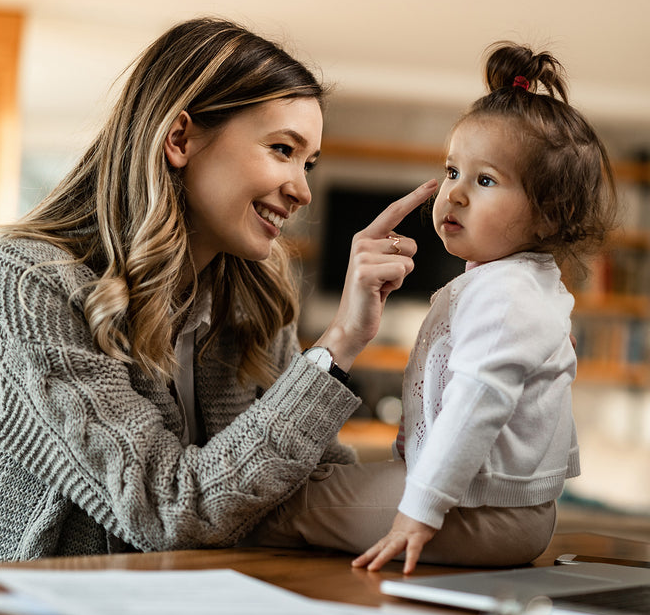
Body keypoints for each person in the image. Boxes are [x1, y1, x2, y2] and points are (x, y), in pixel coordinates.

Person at [0, 17, 436, 565]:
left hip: (180, 610)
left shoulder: (251, 304)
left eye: (308, 163)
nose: (304, 190)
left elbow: (313, 487)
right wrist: (335, 350)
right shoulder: (27, 285)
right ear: (180, 138)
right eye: (282, 150)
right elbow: (169, 513)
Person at [246, 42, 618, 572]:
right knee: (317, 487)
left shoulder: (506, 296)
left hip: (482, 514)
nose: (456, 194)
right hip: (495, 508)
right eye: (451, 172)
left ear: (549, 216)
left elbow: (475, 405)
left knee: (278, 504)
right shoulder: (509, 285)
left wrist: (418, 511)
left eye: (485, 180)